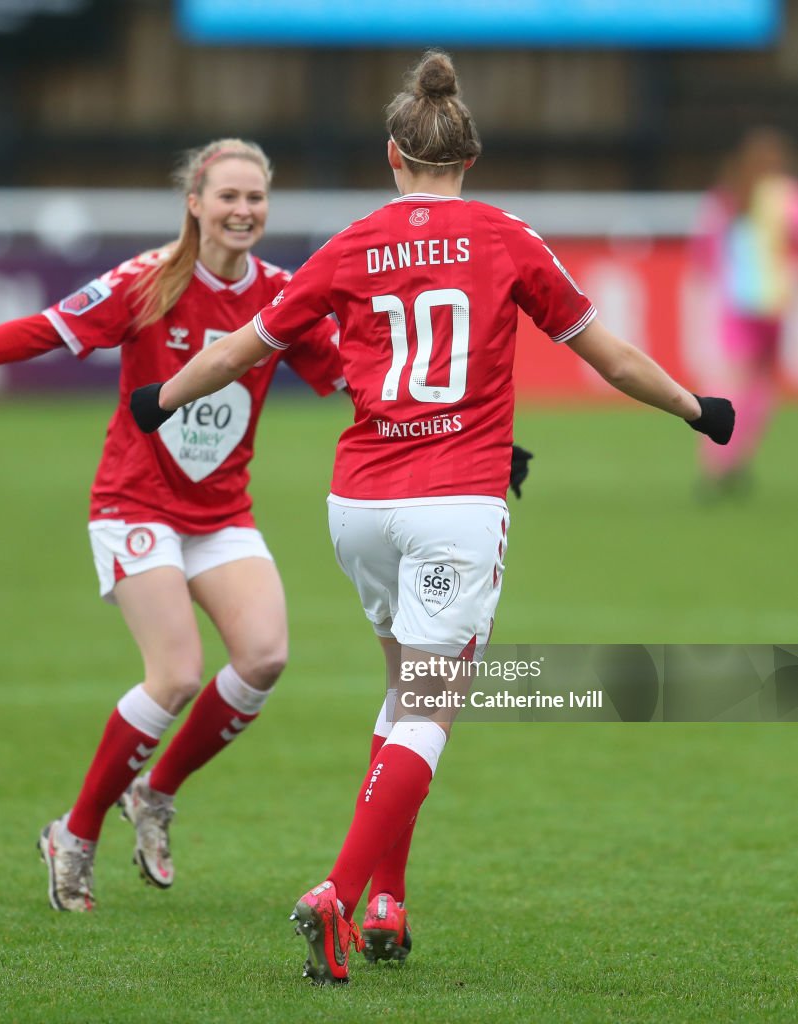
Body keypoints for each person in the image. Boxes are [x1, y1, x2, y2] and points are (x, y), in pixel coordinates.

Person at [128, 52, 735, 985]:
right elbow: (607, 357)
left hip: (360, 502)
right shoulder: (507, 237)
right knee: (431, 703)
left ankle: (388, 900)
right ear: (471, 156)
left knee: (399, 693)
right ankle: (337, 892)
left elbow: (245, 347)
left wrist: (157, 400)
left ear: (392, 156)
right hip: (453, 500)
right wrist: (697, 409)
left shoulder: (355, 241)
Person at [0, 138, 351, 913]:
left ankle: (154, 794)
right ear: (193, 202)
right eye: (227, 196)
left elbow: (350, 378)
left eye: (255, 198)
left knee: (264, 657)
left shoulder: (282, 294)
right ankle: (76, 831)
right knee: (175, 674)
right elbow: (48, 328)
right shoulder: (146, 281)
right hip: (134, 503)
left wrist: (468, 440)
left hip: (221, 509)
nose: (242, 211)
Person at [691, 126, 798, 494]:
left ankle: (720, 460)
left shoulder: (725, 199)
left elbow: (703, 252)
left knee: (733, 385)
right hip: (768, 305)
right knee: (758, 388)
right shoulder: (784, 198)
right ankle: (730, 461)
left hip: (738, 305)